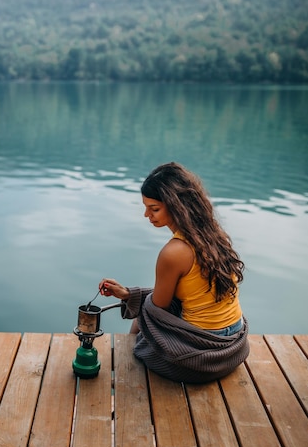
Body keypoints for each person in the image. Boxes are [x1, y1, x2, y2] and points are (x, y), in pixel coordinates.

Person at [99, 162, 249, 383]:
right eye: (146, 207)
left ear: (176, 205)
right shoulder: (213, 234)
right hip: (235, 345)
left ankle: (128, 353)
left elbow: (158, 306)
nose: (146, 215)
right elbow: (189, 294)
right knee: (147, 301)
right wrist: (127, 294)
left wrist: (136, 300)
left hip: (205, 356)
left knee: (146, 310)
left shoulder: (173, 252)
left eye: (154, 208)